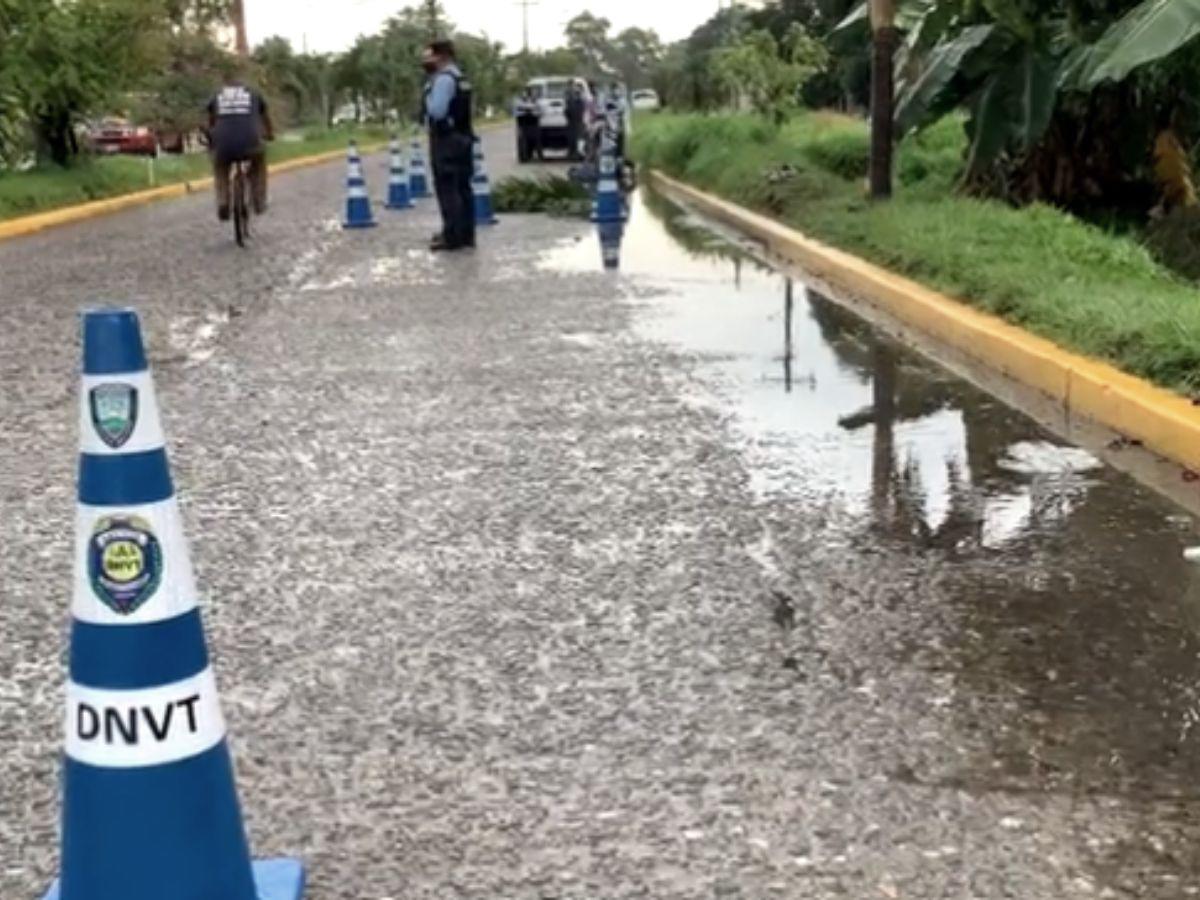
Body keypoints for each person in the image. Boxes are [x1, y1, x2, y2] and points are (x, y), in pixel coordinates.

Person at [422, 40, 475, 252]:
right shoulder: (460, 78)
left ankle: (452, 236)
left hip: (446, 139)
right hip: (463, 137)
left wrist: (428, 93)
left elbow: (437, 111)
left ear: (441, 57)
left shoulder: (443, 80)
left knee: (447, 188)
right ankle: (466, 235)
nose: (425, 61)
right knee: (463, 188)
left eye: (428, 57)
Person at [206, 76, 274, 222]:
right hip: (251, 142)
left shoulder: (217, 95)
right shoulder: (254, 94)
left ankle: (223, 201)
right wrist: (269, 134)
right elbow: (265, 118)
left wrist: (212, 140)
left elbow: (211, 121)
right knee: (258, 166)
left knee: (221, 168)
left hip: (223, 144)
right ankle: (259, 201)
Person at [515, 87, 542, 162]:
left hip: (533, 123)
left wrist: (532, 110)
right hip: (523, 124)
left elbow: (539, 111)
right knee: (523, 142)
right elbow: (517, 111)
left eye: (528, 92)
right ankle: (525, 157)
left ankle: (539, 155)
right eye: (526, 92)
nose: (527, 94)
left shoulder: (535, 100)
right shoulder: (519, 101)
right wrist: (527, 109)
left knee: (536, 141)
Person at [565, 83, 586, 162]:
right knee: (572, 139)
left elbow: (582, 111)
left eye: (577, 93)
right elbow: (567, 111)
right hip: (572, 122)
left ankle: (578, 155)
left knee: (579, 139)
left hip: (578, 122)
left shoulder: (581, 101)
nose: (576, 94)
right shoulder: (570, 101)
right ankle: (572, 154)